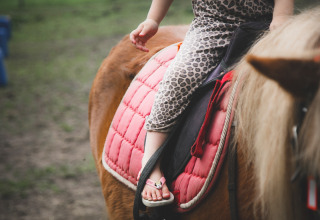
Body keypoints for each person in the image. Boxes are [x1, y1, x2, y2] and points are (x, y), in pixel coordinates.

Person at [130, 0, 294, 207]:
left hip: (267, 26)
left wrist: (281, 17)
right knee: (182, 76)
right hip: (214, 26)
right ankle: (151, 160)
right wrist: (153, 19)